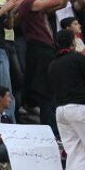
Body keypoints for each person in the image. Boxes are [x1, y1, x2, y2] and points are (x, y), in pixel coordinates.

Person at [18, 0, 79, 133]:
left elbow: (61, 3)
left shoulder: (37, 6)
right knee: (45, 92)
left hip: (45, 49)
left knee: (48, 90)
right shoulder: (29, 2)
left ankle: (45, 122)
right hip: (39, 50)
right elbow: (57, 0)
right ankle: (47, 126)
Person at [49, 29, 85, 170]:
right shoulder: (77, 58)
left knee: (76, 153)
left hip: (61, 111)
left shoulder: (53, 64)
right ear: (72, 42)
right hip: (79, 109)